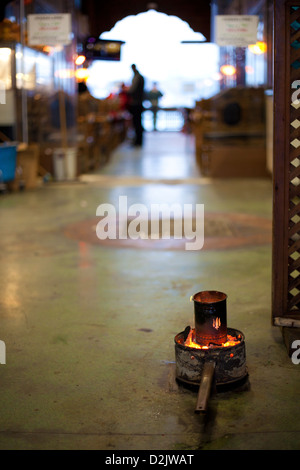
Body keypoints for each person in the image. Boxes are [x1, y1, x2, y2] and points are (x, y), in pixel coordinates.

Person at [127, 64, 145, 146]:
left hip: (136, 103)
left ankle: (138, 141)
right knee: (138, 122)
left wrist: (127, 91)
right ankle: (138, 140)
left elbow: (132, 90)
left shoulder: (137, 77)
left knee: (137, 122)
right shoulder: (139, 77)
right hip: (139, 103)